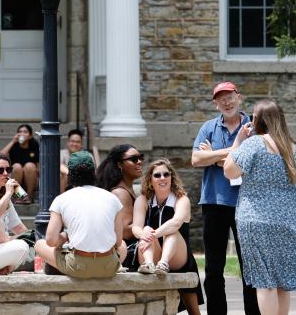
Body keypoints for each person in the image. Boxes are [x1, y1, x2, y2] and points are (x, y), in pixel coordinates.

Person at [224, 100, 296, 315]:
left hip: (255, 220)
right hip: (289, 222)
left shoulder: (253, 144)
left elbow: (229, 171)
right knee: (284, 281)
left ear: (257, 121)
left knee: (265, 282)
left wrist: (238, 141)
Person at [191, 81, 259, 315]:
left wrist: (214, 157)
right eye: (221, 99)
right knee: (213, 270)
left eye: (230, 96)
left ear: (239, 97)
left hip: (247, 204)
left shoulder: (255, 127)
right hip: (214, 203)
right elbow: (196, 160)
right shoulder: (208, 127)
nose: (227, 102)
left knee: (249, 267)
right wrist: (233, 153)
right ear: (215, 104)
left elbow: (257, 162)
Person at [34, 151, 126, 278]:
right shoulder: (112, 198)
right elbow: (118, 241)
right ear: (94, 173)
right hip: (108, 267)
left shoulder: (61, 199)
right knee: (124, 246)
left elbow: (50, 241)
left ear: (70, 174)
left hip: (78, 267)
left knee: (39, 245)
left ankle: (63, 267)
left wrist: (66, 236)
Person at [133, 158, 204, 315]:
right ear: (150, 180)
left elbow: (177, 222)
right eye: (157, 175)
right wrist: (145, 234)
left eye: (166, 174)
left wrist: (153, 234)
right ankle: (150, 265)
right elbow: (136, 228)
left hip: (178, 256)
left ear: (172, 177)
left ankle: (163, 264)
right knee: (145, 228)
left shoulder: (181, 199)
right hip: (150, 252)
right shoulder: (143, 200)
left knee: (171, 231)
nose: (163, 178)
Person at [95, 144, 144, 271]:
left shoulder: (127, 190)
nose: (139, 162)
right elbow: (125, 231)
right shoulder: (120, 193)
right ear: (119, 165)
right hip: (127, 255)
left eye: (140, 157)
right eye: (133, 159)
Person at [0, 124, 40, 204]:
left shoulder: (34, 145)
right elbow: (0, 156)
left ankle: (29, 196)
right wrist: (13, 141)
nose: (22, 134)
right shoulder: (14, 145)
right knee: (17, 166)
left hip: (31, 179)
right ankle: (18, 196)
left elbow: (39, 165)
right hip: (15, 177)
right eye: (20, 132)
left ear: (30, 135)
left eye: (25, 132)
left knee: (29, 165)